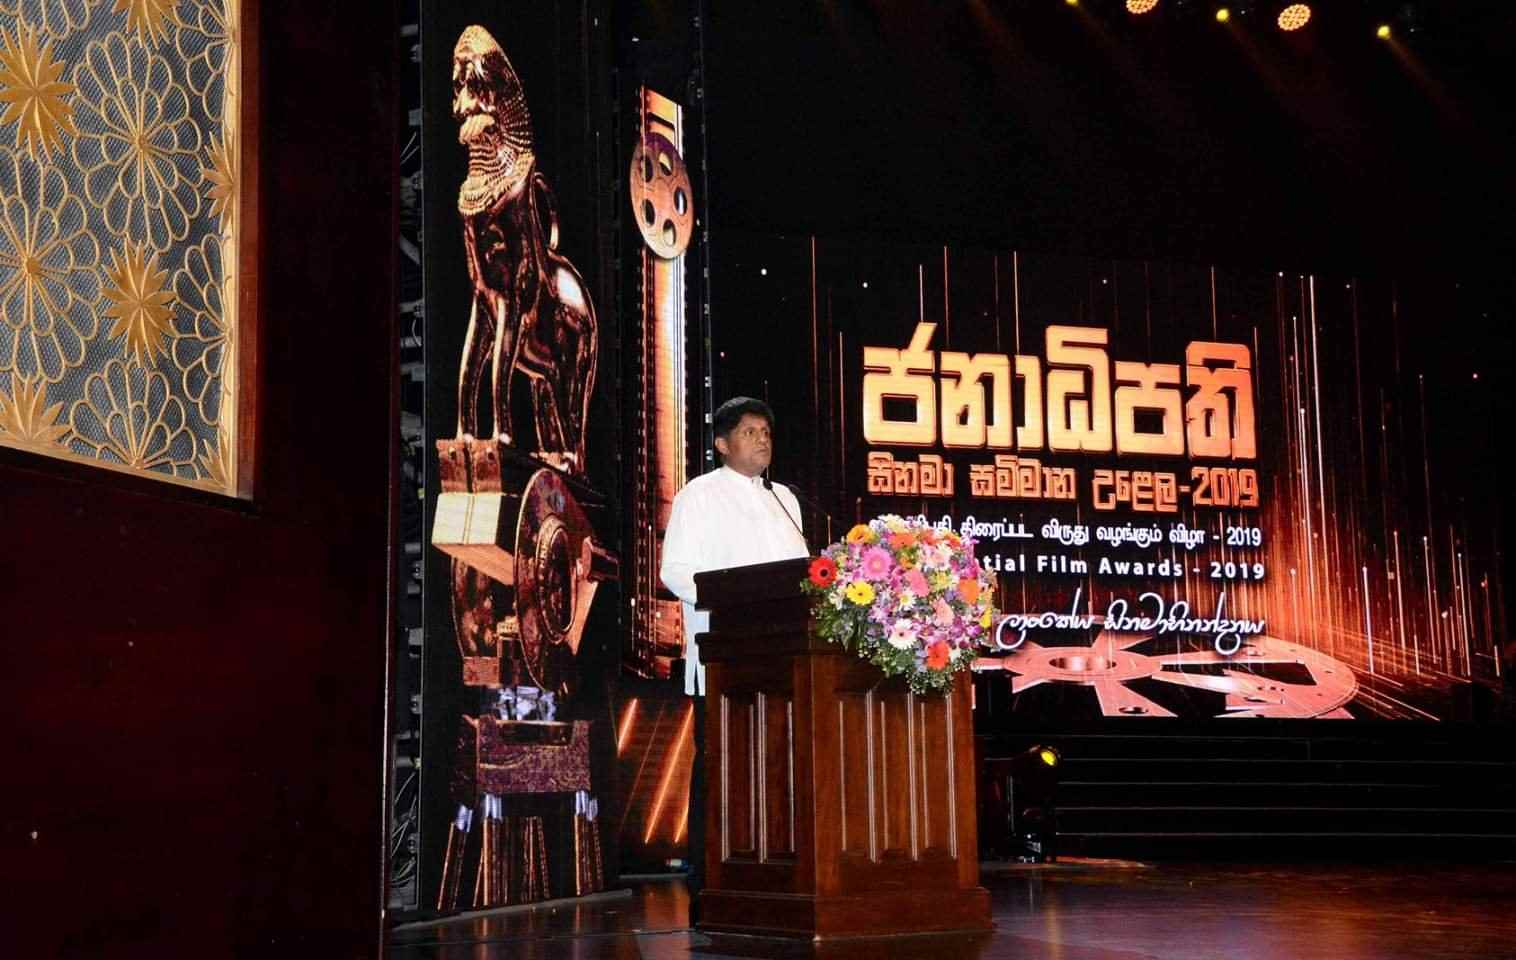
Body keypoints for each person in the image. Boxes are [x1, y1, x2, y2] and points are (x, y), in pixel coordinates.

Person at [659, 396, 809, 924]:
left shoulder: (784, 499)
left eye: (766, 431)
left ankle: (777, 879)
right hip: (726, 659)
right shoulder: (698, 496)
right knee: (723, 773)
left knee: (782, 771)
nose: (762, 440)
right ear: (722, 444)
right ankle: (711, 887)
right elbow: (675, 572)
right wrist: (737, 601)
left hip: (786, 661)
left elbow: (800, 577)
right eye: (749, 432)